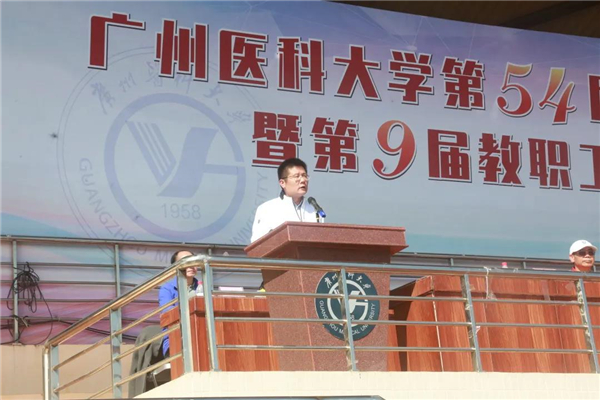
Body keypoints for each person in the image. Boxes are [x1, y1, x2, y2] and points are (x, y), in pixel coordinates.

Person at [251, 157, 319, 242]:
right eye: (296, 176)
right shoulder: (267, 209)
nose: (303, 180)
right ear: (282, 183)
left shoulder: (314, 209)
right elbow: (257, 243)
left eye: (304, 176)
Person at [158, 250, 199, 356]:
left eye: (192, 261)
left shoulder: (203, 286)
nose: (190, 265)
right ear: (175, 267)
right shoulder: (167, 289)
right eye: (185, 262)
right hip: (176, 339)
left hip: (201, 337)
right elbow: (168, 314)